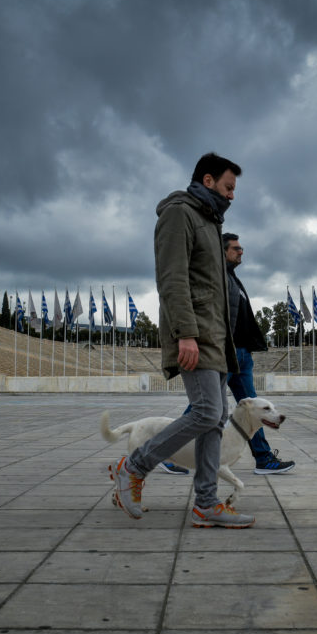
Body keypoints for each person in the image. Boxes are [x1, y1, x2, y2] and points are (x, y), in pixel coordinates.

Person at [111, 152, 255, 528]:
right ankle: (134, 466)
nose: (232, 196)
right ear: (208, 181)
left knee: (215, 420)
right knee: (208, 412)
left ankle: (206, 503)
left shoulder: (209, 222)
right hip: (196, 335)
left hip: (216, 338)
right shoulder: (179, 214)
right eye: (228, 187)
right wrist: (185, 335)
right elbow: (172, 280)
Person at [223, 232, 296, 475]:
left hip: (242, 356)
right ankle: (168, 455)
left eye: (241, 247)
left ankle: (264, 459)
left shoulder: (234, 280)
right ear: (222, 251)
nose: (241, 251)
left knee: (256, 411)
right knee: (201, 409)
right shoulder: (219, 278)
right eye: (235, 248)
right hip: (226, 353)